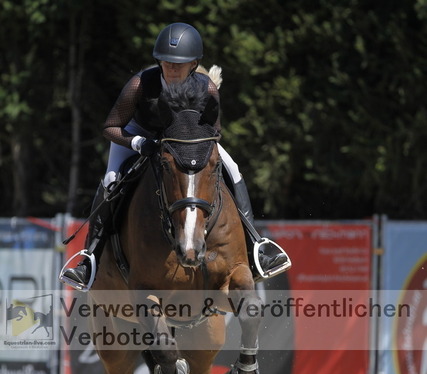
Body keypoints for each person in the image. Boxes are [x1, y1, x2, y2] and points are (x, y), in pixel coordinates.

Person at [61, 22, 290, 289]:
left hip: (186, 142)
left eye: (179, 64)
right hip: (139, 135)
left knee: (233, 168)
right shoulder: (140, 84)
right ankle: (90, 258)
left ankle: (256, 247)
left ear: (194, 64)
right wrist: (139, 143)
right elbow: (111, 127)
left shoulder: (207, 89)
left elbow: (214, 133)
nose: (171, 68)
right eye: (166, 62)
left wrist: (192, 147)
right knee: (112, 179)